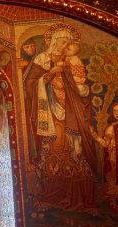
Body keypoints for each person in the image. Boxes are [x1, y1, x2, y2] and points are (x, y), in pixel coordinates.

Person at [24, 27, 98, 214]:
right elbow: (30, 84)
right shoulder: (42, 59)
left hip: (72, 110)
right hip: (50, 112)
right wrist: (50, 74)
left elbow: (80, 84)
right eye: (64, 41)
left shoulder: (73, 60)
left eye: (69, 42)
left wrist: (80, 90)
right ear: (54, 42)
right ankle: (52, 197)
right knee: (55, 148)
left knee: (76, 151)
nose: (67, 45)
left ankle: (82, 199)